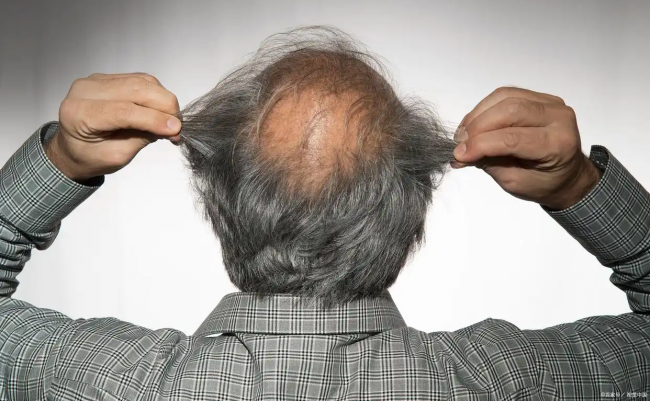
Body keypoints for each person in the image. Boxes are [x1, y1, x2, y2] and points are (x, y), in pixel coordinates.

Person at [0, 27, 647, 400]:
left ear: (220, 207)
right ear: (409, 214)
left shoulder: (115, 382)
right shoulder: (497, 383)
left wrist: (63, 160)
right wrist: (575, 185)